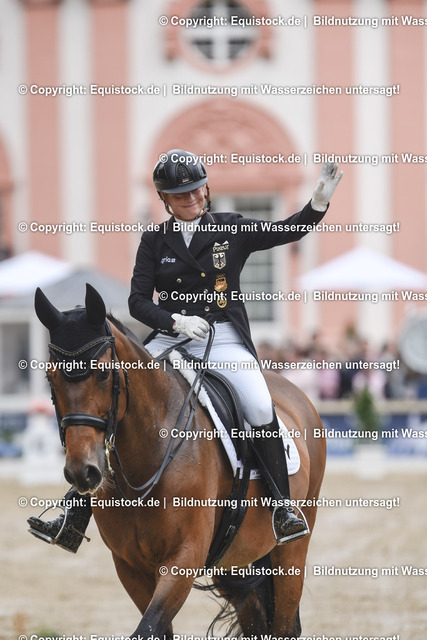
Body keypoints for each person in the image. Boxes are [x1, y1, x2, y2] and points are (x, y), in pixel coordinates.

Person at [28, 149, 342, 552]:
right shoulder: (154, 240)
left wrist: (317, 203)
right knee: (118, 396)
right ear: (165, 199)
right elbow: (138, 301)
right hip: (171, 336)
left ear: (205, 190)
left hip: (222, 337)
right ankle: (76, 512)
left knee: (259, 405)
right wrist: (174, 322)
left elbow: (288, 231)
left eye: (196, 190)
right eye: (180, 195)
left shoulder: (231, 229)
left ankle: (282, 507)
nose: (191, 199)